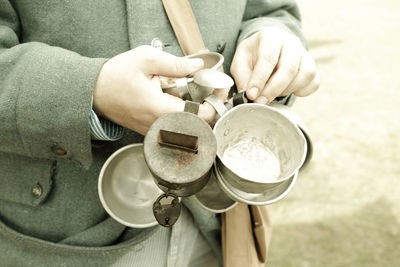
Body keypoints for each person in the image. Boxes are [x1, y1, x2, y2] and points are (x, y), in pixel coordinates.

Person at [0, 0, 319, 266]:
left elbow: (270, 10)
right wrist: (90, 89)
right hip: (55, 240)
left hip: (215, 230)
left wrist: (274, 40)